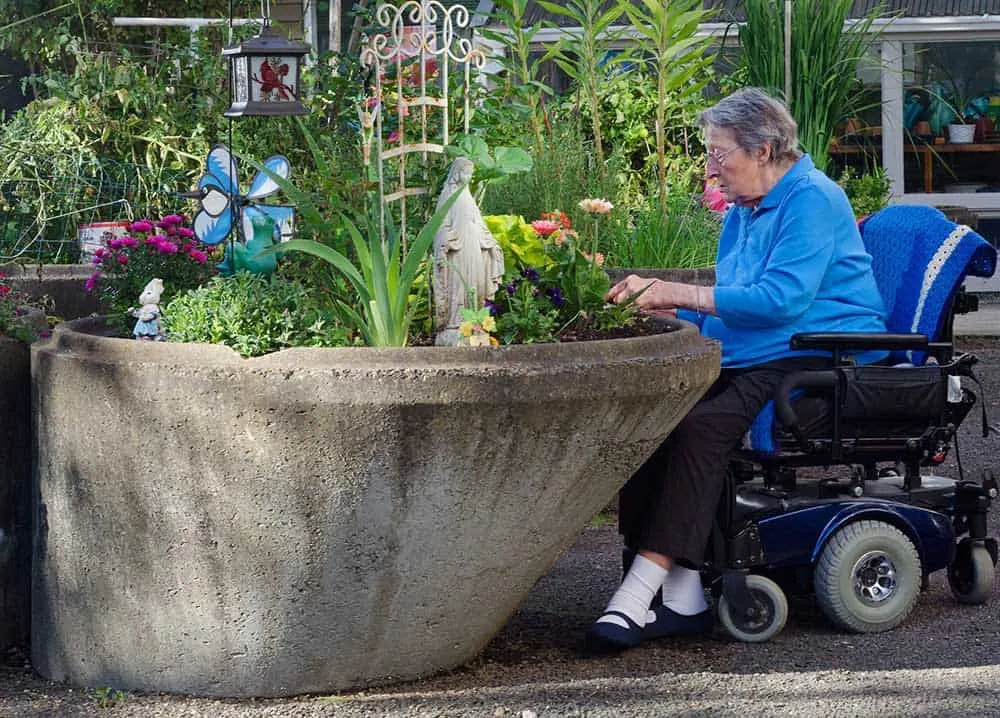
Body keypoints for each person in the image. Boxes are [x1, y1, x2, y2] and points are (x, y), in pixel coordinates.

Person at [591, 87, 888, 651]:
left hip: (824, 352)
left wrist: (677, 291)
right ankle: (682, 596)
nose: (711, 170)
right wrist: (671, 308)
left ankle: (639, 590)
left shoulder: (813, 200)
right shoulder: (746, 211)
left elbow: (779, 300)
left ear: (765, 149)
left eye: (719, 155)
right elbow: (734, 301)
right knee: (659, 415)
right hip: (765, 348)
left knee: (705, 427)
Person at [432, 157, 505, 345]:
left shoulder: (467, 195)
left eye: (471, 173)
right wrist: (446, 239)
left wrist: (489, 241)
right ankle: (455, 324)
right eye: (466, 172)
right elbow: (440, 223)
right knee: (459, 283)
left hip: (473, 246)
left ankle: (475, 324)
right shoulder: (448, 194)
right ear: (457, 173)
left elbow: (476, 222)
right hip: (458, 248)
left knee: (476, 282)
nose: (469, 176)